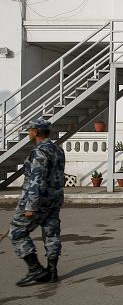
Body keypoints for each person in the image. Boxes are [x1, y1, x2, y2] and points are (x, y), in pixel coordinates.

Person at [9, 118, 66, 286]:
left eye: (29, 131)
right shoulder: (58, 149)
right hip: (54, 199)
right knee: (51, 233)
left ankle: (35, 269)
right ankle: (52, 271)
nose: (28, 133)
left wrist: (30, 206)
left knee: (17, 232)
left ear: (35, 132)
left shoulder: (40, 152)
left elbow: (37, 179)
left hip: (38, 200)